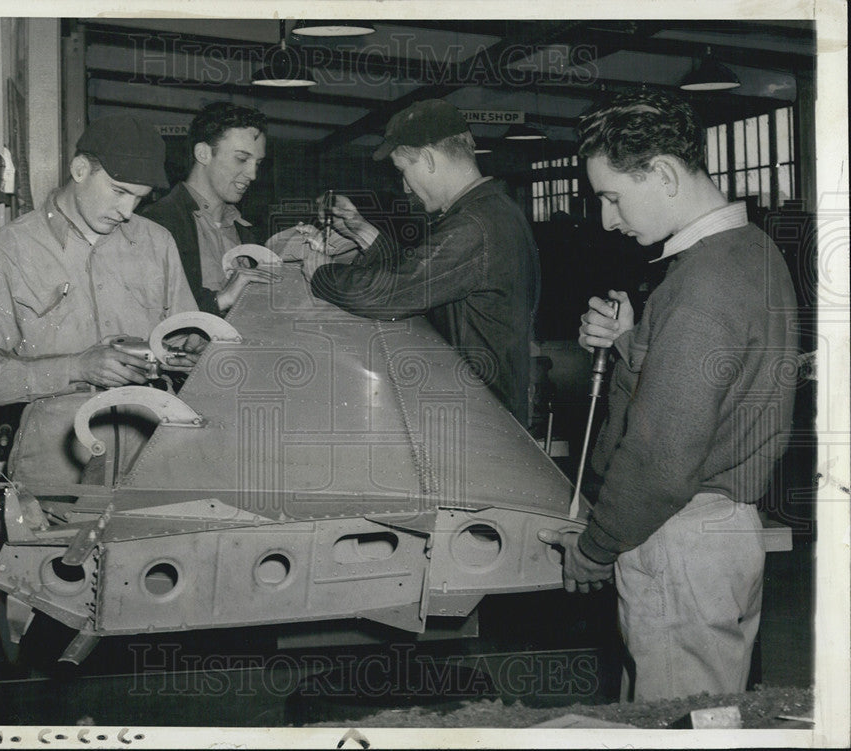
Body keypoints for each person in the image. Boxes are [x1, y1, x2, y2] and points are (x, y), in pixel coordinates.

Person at [538, 90, 798, 701]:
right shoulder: (750, 252)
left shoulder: (699, 286)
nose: (606, 219)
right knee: (702, 709)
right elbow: (728, 382)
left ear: (661, 173)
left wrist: (596, 548)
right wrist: (636, 341)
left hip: (678, 537)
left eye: (611, 196)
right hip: (723, 533)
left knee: (674, 721)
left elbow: (660, 458)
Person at [0, 115, 200, 485]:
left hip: (153, 460)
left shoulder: (158, 243)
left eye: (139, 197)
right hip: (56, 471)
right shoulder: (5, 252)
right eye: (119, 191)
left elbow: (186, 339)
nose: (127, 212)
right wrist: (76, 368)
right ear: (80, 169)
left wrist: (193, 353)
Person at [300, 99, 540, 426]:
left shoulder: (475, 227)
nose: (404, 186)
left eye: (403, 171)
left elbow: (394, 290)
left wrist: (321, 273)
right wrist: (362, 229)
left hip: (488, 416)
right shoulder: (488, 211)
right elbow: (423, 274)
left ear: (427, 159)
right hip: (484, 401)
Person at [142, 102, 277, 315]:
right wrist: (220, 300)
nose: (252, 174)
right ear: (203, 153)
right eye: (241, 159)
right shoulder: (155, 223)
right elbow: (148, 310)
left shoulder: (245, 229)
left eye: (257, 163)